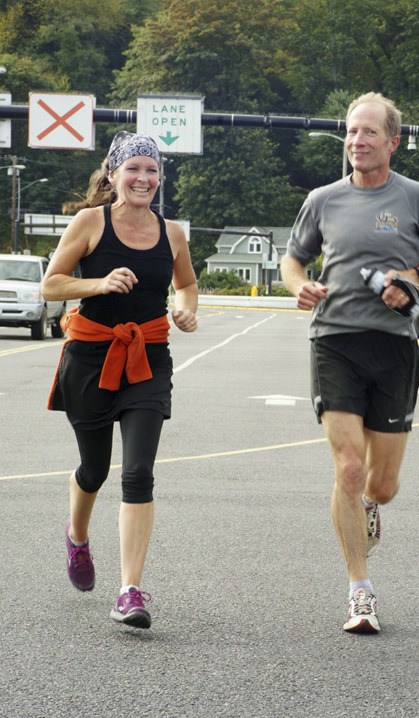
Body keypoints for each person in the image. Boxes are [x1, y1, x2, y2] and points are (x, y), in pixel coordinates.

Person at [281, 92, 419, 634]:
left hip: (394, 346)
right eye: (350, 132)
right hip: (335, 339)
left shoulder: (417, 198)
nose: (356, 142)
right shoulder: (323, 198)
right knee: (349, 467)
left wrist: (415, 278)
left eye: (368, 133)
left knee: (381, 485)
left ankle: (368, 506)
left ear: (392, 141)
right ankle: (359, 589)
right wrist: (301, 286)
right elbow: (294, 257)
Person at [41, 131, 198, 630]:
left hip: (148, 360)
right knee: (95, 470)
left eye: (152, 171)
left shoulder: (171, 233)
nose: (143, 178)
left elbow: (188, 283)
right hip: (89, 358)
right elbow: (51, 284)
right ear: (113, 174)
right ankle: (78, 536)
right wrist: (99, 283)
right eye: (133, 169)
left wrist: (185, 308)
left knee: (137, 473)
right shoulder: (90, 222)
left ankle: (129, 590)